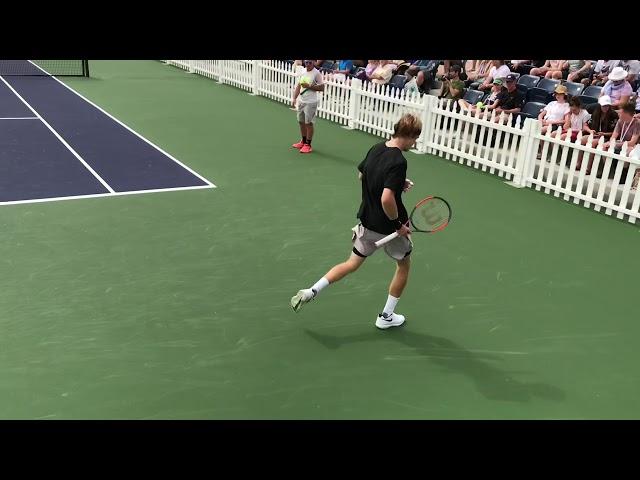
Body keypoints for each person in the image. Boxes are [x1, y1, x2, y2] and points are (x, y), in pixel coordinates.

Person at [290, 114, 422, 330]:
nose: (414, 143)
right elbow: (387, 198)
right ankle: (386, 316)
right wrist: (399, 225)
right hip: (389, 229)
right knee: (403, 265)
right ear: (408, 135)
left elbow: (363, 175)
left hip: (367, 223)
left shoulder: (377, 148)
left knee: (351, 264)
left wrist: (397, 183)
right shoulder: (399, 160)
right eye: (415, 139)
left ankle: (312, 290)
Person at [292, 60, 325, 154]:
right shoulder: (303, 71)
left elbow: (322, 88)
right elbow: (299, 86)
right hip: (302, 101)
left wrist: (309, 86)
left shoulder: (317, 73)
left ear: (314, 62)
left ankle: (308, 144)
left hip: (311, 102)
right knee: (301, 122)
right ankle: (303, 141)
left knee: (308, 123)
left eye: (310, 62)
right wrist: (294, 98)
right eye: (306, 62)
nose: (308, 64)